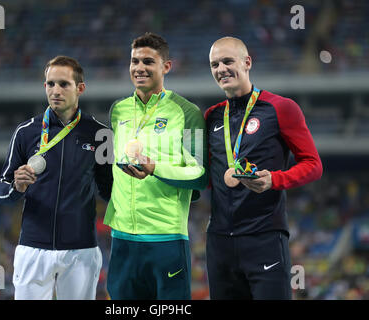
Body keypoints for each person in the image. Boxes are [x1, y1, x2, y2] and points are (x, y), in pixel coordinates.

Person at [204, 37, 323, 300]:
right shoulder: (211, 116)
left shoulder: (280, 108)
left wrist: (274, 180)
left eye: (227, 61)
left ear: (247, 62)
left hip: (264, 238)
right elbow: (205, 176)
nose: (221, 69)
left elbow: (313, 165)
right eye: (214, 64)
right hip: (219, 241)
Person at [0, 55, 112, 300]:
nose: (55, 90)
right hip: (33, 248)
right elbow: (1, 192)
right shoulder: (26, 132)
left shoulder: (100, 134)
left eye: (64, 84)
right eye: (50, 84)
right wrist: (16, 186)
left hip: (81, 250)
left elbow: (109, 190)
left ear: (80, 88)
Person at [103, 32, 207, 300]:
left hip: (166, 238)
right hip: (122, 238)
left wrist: (156, 169)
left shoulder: (187, 112)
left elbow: (199, 175)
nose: (139, 68)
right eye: (134, 61)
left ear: (166, 66)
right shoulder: (118, 110)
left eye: (148, 61)